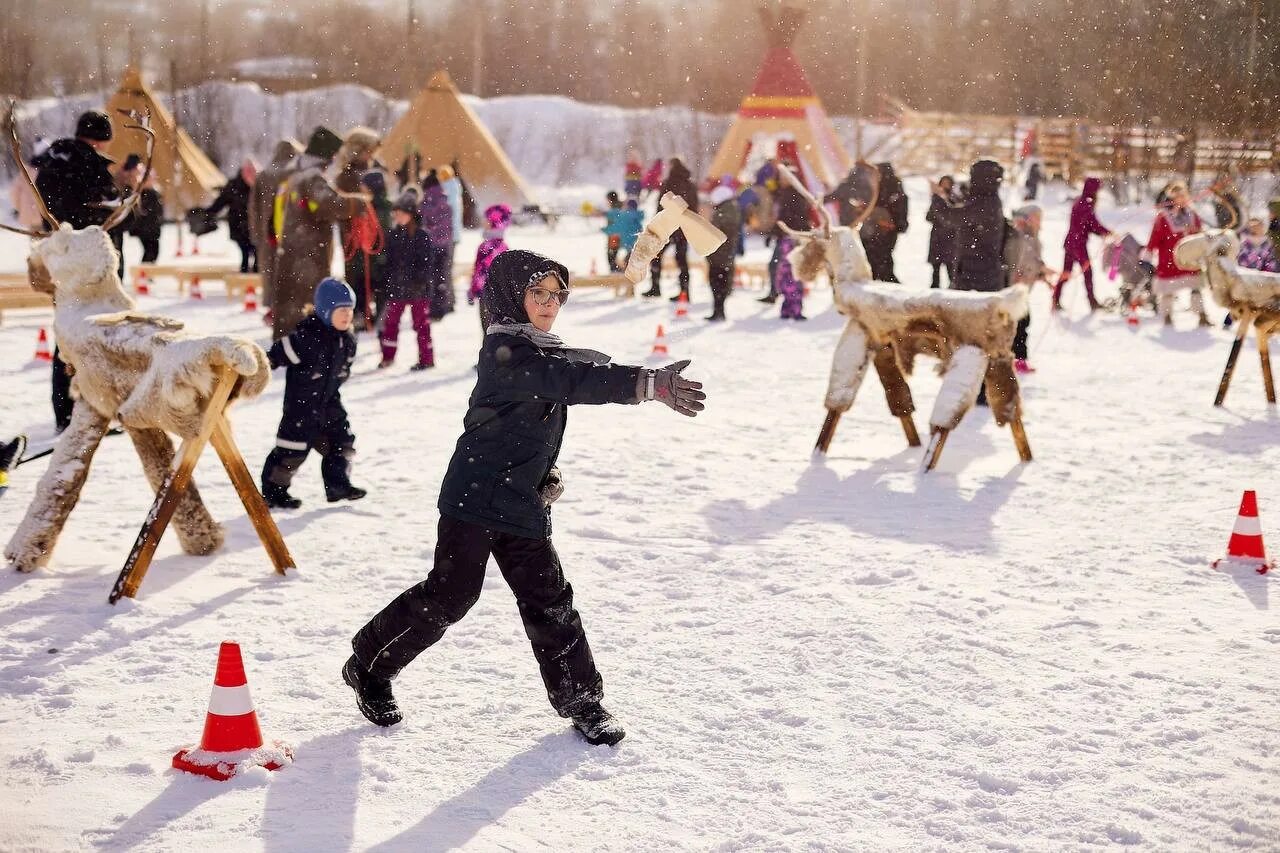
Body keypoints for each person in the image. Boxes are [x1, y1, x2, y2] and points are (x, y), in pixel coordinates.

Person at [342, 249, 707, 746]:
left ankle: (583, 702)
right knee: (450, 597)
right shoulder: (505, 353)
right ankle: (368, 665)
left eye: (557, 295)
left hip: (519, 501)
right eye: (538, 293)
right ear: (513, 295)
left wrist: (544, 471)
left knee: (549, 600)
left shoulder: (540, 351)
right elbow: (570, 381)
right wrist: (644, 384)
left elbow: (532, 422)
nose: (550, 303)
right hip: (471, 502)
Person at [33, 109, 123, 432]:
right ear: (100, 139)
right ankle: (88, 413)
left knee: (66, 338)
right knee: (91, 340)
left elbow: (54, 211)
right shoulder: (90, 166)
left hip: (63, 261)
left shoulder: (52, 163)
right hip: (90, 266)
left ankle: (65, 413)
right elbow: (102, 210)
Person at [260, 278, 366, 509]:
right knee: (291, 452)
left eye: (350, 310)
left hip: (329, 404)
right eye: (341, 311)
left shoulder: (347, 340)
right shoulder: (306, 338)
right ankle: (273, 492)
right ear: (326, 311)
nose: (347, 316)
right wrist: (260, 365)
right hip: (301, 407)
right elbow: (275, 355)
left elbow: (343, 370)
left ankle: (338, 485)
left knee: (342, 443)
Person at [273, 127, 367, 340]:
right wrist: (359, 203)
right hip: (307, 254)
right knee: (309, 300)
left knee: (290, 300)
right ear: (326, 155)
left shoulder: (296, 174)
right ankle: (305, 345)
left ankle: (286, 341)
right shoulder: (312, 177)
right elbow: (330, 203)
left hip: (291, 249)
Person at [378, 193, 435, 371]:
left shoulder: (422, 235)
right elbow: (389, 262)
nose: (397, 216)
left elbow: (427, 263)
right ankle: (388, 356)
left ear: (410, 214)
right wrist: (386, 279)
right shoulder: (393, 235)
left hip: (418, 289)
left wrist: (419, 280)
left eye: (401, 213)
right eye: (396, 213)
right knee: (390, 323)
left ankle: (426, 359)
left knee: (421, 325)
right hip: (397, 287)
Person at [248, 138, 302, 316]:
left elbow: (253, 208)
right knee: (292, 272)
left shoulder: (264, 174)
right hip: (292, 232)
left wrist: (256, 233)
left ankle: (273, 307)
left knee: (271, 272)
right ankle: (290, 308)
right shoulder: (295, 173)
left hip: (267, 233)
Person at [1143, 181, 1207, 327]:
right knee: (1168, 290)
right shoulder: (1163, 217)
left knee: (1196, 288)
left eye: (1183, 195)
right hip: (1170, 259)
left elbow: (1200, 235)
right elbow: (1155, 237)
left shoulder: (1193, 214)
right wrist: (1148, 253)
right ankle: (1167, 315)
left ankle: (1202, 315)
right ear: (1172, 198)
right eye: (1178, 196)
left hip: (1190, 260)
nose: (1181, 198)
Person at [1005, 204, 1056, 374]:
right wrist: (1039, 270)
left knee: (1021, 324)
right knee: (1020, 324)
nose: (1039, 221)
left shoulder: (1033, 238)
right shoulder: (1021, 237)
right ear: (1027, 219)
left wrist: (1043, 275)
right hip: (1015, 291)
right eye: (1036, 217)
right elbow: (1024, 264)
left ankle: (1016, 358)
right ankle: (1016, 359)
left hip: (1023, 290)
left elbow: (1033, 263)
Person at [643, 157, 699, 300]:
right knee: (682, 260)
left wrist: (657, 223)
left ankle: (655, 288)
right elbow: (694, 208)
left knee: (656, 256)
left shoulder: (669, 183)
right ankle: (684, 292)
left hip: (668, 226)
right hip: (684, 227)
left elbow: (661, 205)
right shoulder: (690, 185)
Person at [949, 160, 1009, 294]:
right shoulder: (986, 198)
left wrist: (937, 197)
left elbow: (953, 217)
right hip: (974, 271)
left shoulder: (986, 202)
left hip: (979, 276)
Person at [1054, 177, 1112, 312]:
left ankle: (1055, 299)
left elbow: (1089, 226)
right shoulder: (1085, 204)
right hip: (1077, 245)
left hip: (1070, 243)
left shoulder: (1081, 201)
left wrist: (1104, 232)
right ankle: (1092, 302)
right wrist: (1107, 232)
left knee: (1067, 272)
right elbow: (1094, 224)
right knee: (1087, 273)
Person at [772, 170, 812, 320]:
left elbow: (794, 218)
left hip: (793, 238)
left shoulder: (793, 195)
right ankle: (788, 307)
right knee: (788, 272)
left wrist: (786, 233)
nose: (781, 180)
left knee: (792, 272)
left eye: (784, 177)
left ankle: (793, 308)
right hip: (789, 237)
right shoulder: (786, 193)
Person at [206, 160, 257, 273]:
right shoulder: (234, 185)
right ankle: (245, 278)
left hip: (253, 227)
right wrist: (209, 212)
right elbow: (221, 201)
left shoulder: (258, 186)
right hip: (239, 226)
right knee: (245, 252)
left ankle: (253, 280)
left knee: (256, 254)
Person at [861, 162, 908, 282]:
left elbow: (895, 207)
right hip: (876, 229)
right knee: (877, 256)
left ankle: (888, 282)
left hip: (886, 229)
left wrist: (893, 223)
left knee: (883, 257)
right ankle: (881, 279)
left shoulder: (892, 186)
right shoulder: (880, 186)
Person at [469, 203, 512, 330]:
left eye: (487, 219)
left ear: (494, 222)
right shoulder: (504, 247)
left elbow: (480, 272)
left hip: (486, 295)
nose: (483, 222)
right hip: (500, 296)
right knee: (498, 331)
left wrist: (473, 290)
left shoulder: (486, 247)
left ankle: (488, 350)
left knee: (488, 330)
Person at [419, 169, 455, 320]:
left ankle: (434, 309)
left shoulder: (426, 202)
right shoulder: (446, 200)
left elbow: (425, 222)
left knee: (432, 277)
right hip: (446, 244)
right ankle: (444, 305)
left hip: (431, 245)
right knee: (443, 276)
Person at [359, 170, 394, 324]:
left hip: (379, 256)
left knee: (378, 288)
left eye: (365, 186)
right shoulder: (375, 205)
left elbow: (381, 233)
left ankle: (378, 319)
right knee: (377, 288)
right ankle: (373, 317)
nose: (362, 189)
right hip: (376, 256)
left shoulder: (379, 207)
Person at [705, 184, 741, 322]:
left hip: (719, 253)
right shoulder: (732, 208)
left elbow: (715, 231)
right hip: (727, 253)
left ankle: (718, 311)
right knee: (723, 282)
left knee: (717, 282)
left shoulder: (723, 212)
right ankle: (719, 311)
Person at [926, 175, 960, 288]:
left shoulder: (955, 198)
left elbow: (953, 216)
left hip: (950, 237)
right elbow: (929, 217)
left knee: (950, 265)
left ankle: (953, 286)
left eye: (947, 183)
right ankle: (935, 287)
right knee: (935, 266)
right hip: (937, 235)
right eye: (943, 182)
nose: (945, 185)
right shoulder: (936, 198)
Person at [127, 171, 164, 263]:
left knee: (154, 252)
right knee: (150, 252)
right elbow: (143, 212)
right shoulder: (142, 194)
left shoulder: (154, 193)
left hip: (152, 229)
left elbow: (158, 211)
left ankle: (147, 273)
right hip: (145, 230)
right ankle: (144, 273)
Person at [600, 190, 626, 272]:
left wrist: (606, 230)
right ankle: (617, 270)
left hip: (614, 235)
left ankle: (615, 272)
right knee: (613, 254)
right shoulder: (620, 207)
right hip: (616, 235)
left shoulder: (614, 209)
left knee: (611, 255)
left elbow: (615, 224)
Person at [616, 198, 645, 269]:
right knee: (632, 252)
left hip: (626, 237)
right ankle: (628, 266)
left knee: (630, 253)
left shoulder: (624, 215)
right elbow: (639, 227)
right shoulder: (637, 215)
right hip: (635, 237)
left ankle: (626, 267)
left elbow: (620, 226)